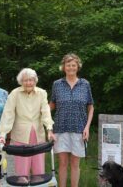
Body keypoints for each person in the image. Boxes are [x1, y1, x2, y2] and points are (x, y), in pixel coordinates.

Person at [0, 68, 56, 179]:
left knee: (39, 172)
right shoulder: (15, 94)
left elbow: (46, 112)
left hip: (38, 135)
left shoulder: (42, 93)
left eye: (31, 80)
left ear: (35, 80)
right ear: (21, 81)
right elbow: (8, 114)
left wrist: (49, 130)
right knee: (22, 174)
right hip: (20, 135)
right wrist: (2, 134)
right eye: (25, 80)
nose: (28, 82)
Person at [49, 53, 94, 187]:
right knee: (62, 164)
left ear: (77, 67)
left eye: (73, 65)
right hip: (60, 129)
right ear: (63, 67)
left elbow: (91, 107)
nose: (71, 67)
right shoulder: (57, 84)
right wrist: (39, 111)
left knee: (75, 164)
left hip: (79, 129)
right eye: (68, 65)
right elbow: (52, 104)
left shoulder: (85, 84)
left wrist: (87, 128)